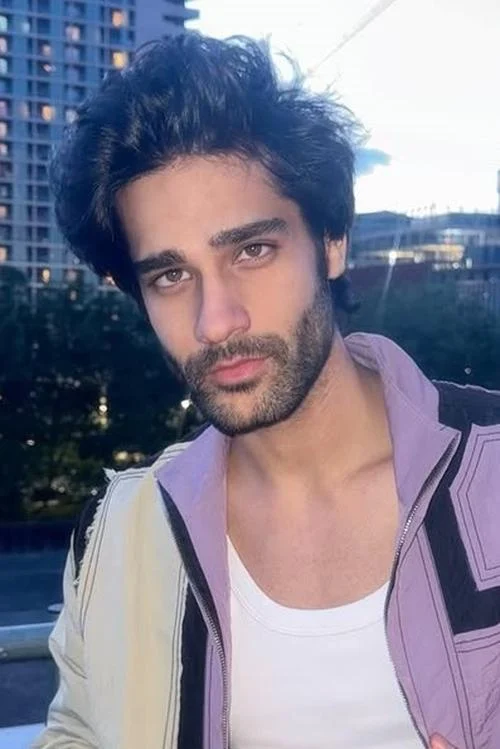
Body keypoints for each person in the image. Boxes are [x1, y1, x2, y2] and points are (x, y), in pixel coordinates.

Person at [33, 32, 500, 749]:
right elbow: (77, 732)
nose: (216, 320)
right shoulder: (123, 532)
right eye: (170, 275)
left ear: (332, 241)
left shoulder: (490, 476)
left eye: (252, 250)